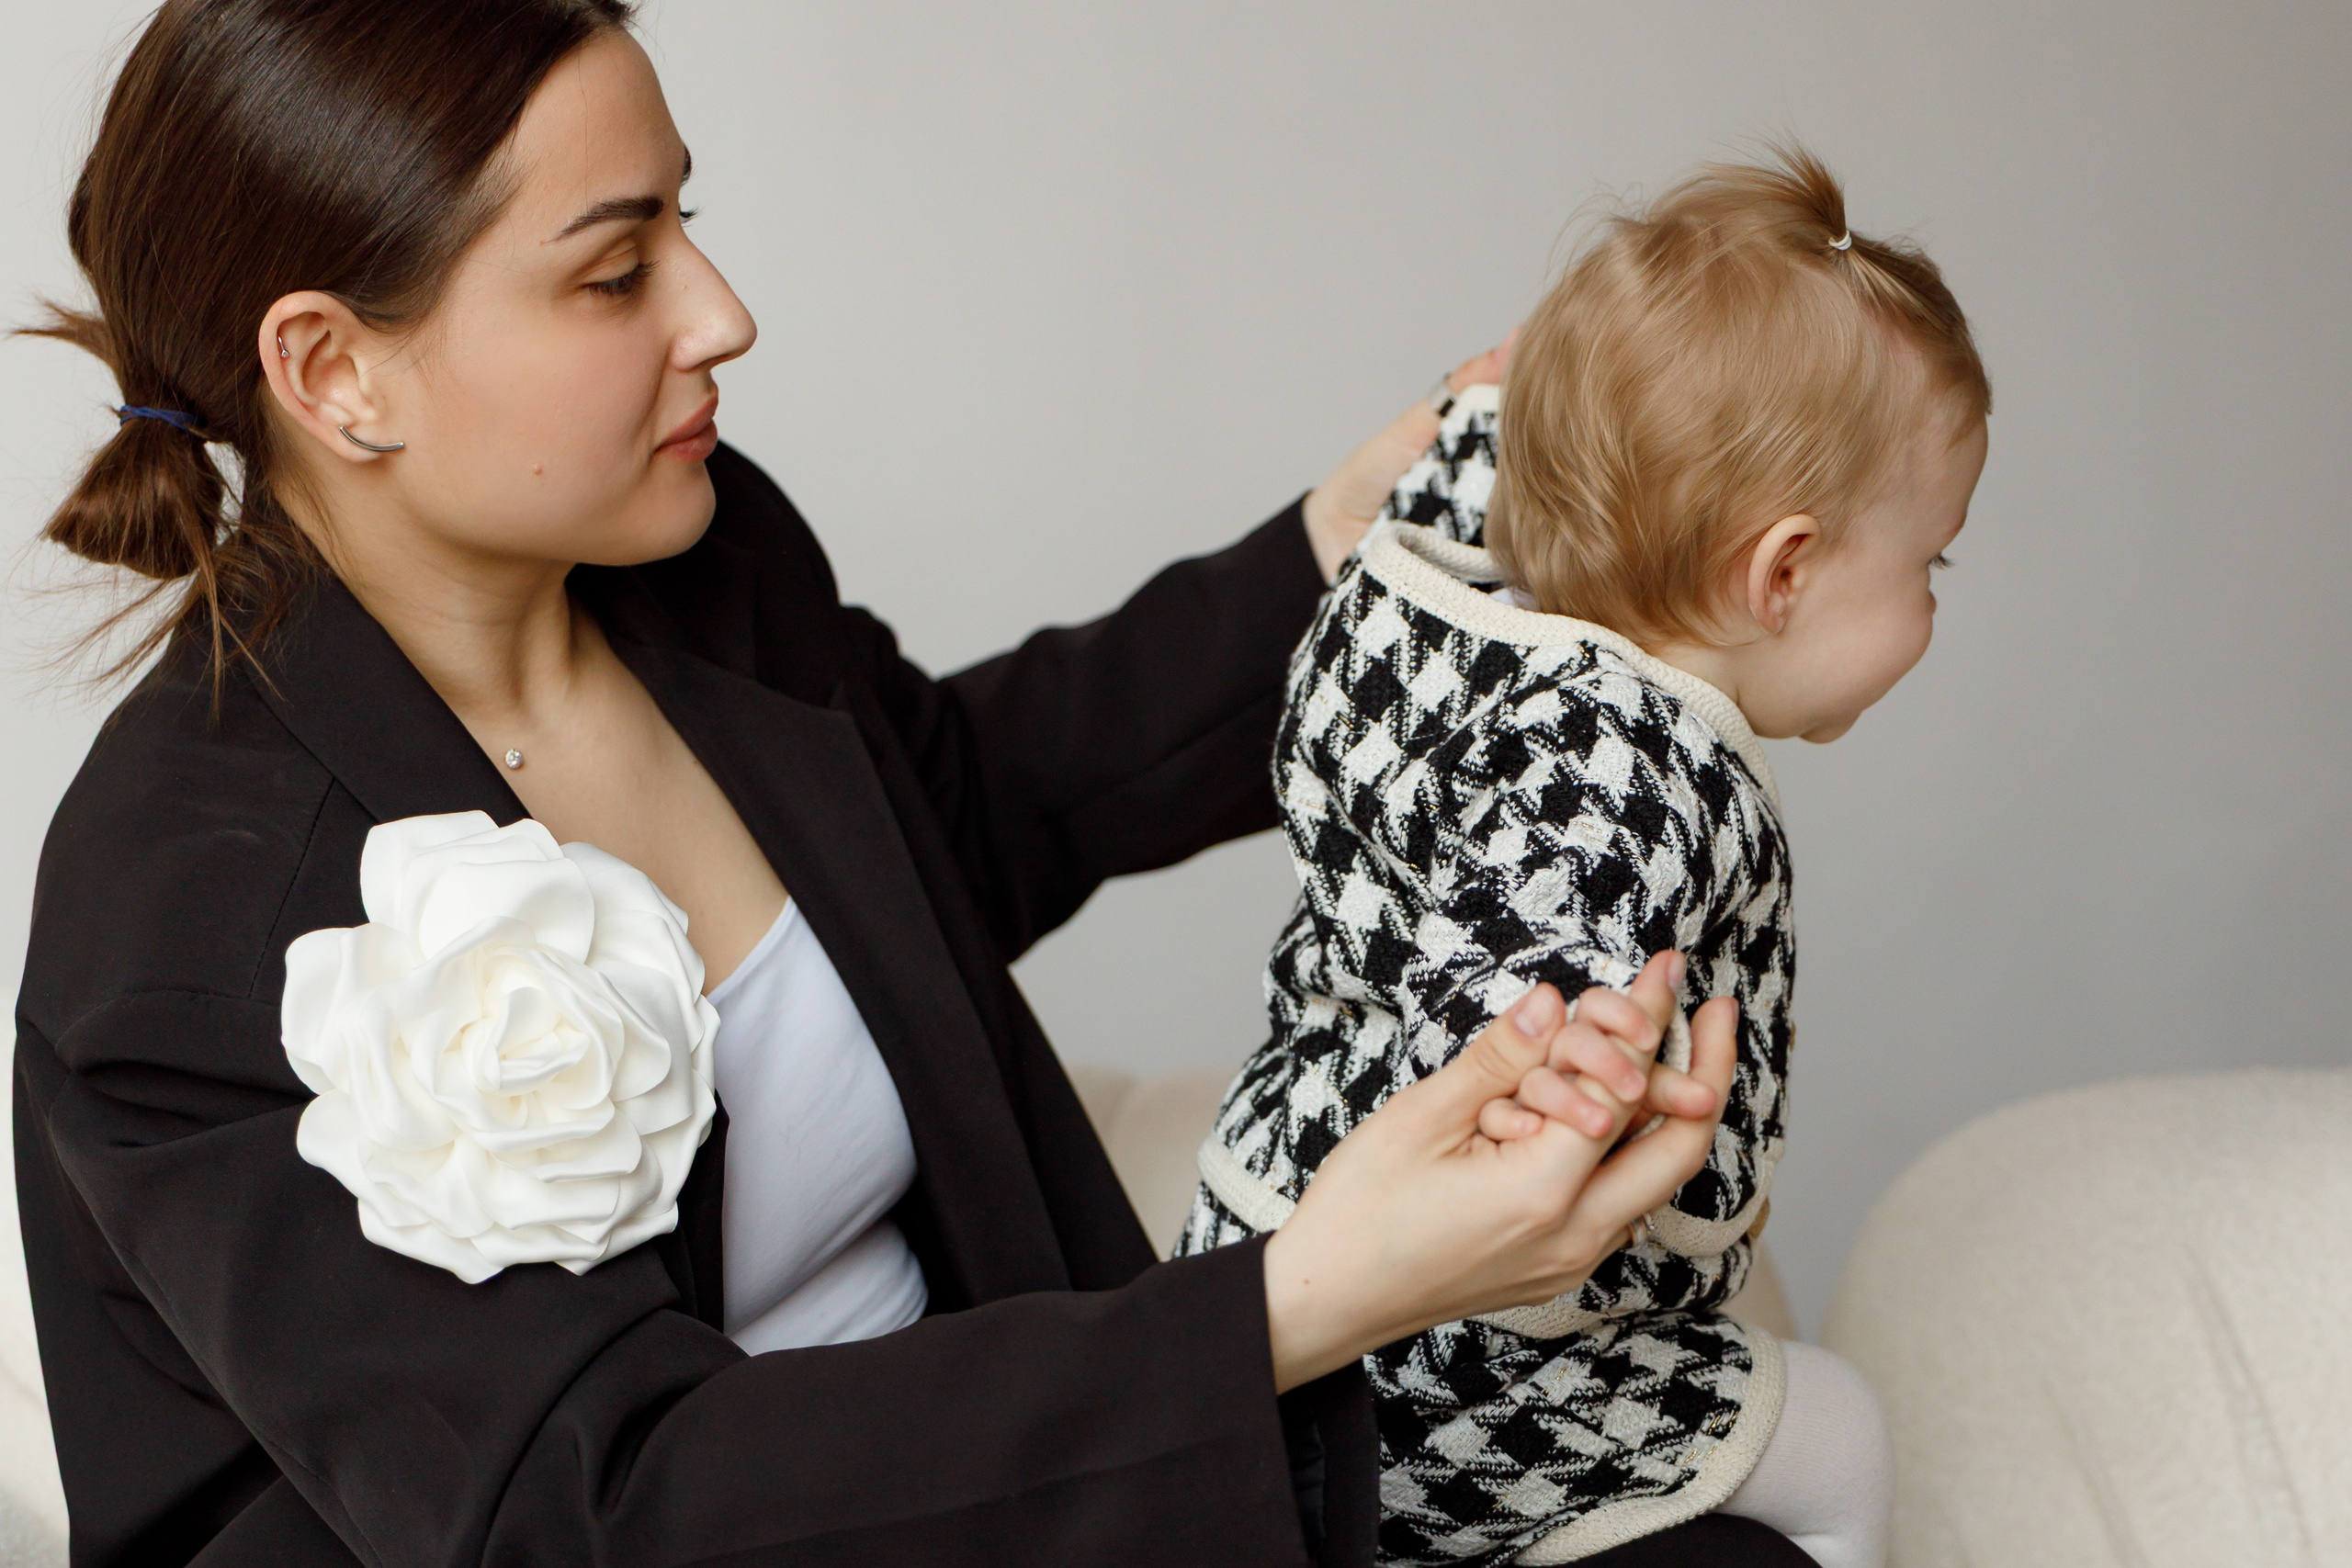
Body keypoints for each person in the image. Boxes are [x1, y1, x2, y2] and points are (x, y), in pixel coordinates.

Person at [6, 4, 1813, 1564]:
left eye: (685, 226)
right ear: (333, 371)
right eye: (616, 269)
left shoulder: (693, 566)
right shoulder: (189, 926)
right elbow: (594, 1509)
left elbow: (950, 815)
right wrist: (1302, 1295)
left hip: (1004, 1470)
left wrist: (1343, 554)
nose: (721, 316)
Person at [1178, 147, 1992, 1567]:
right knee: (1842, 1430)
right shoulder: (1629, 770)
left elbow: (1444, 507)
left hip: (1250, 1266)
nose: (1932, 603)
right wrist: (1571, 1071)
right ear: (1783, 572)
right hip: (1442, 1370)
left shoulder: (1428, 627)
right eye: (1932, 564)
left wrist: (1485, 419)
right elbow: (1504, 1033)